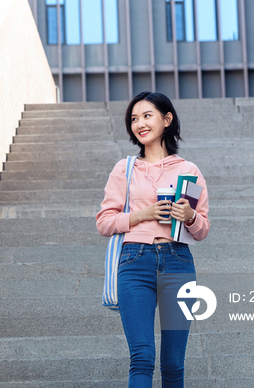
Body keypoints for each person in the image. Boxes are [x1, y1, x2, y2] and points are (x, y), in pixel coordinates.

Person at [96, 91, 210, 387]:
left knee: (173, 363)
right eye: (134, 118)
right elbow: (104, 222)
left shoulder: (189, 170)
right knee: (142, 357)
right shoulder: (125, 169)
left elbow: (202, 230)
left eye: (147, 116)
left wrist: (190, 216)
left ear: (167, 119)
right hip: (134, 263)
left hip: (178, 262)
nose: (139, 124)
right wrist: (142, 213)